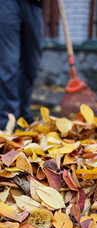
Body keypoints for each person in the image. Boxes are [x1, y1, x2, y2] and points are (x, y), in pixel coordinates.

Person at [0, 0, 43, 130]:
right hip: (7, 3)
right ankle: (7, 119)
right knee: (8, 63)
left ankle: (22, 113)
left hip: (35, 4)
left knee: (32, 64)